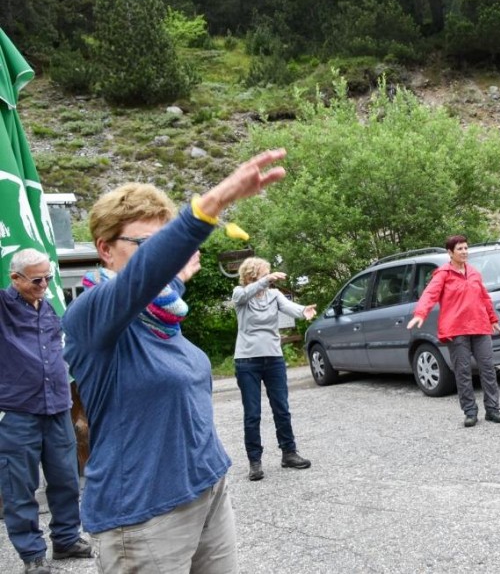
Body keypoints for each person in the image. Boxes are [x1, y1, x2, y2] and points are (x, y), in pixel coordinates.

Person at [61, 149, 288, 573]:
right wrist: (214, 203)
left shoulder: (163, 315)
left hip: (207, 488)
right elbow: (143, 277)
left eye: (166, 243)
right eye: (150, 245)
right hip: (143, 514)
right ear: (105, 249)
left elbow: (151, 282)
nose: (165, 255)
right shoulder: (90, 316)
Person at [0, 249, 92, 574]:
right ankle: (32, 554)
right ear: (15, 278)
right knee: (20, 486)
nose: (44, 284)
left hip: (57, 406)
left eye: (48, 278)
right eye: (37, 279)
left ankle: (66, 539)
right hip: (17, 412)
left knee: (66, 479)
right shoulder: (3, 306)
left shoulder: (48, 305)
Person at [407, 235, 500, 427]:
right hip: (457, 330)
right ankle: (470, 412)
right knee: (463, 372)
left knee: (488, 369)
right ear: (450, 253)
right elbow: (430, 295)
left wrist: (493, 319)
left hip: (480, 326)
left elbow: (484, 298)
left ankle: (493, 410)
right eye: (460, 249)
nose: (464, 252)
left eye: (466, 248)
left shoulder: (475, 273)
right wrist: (420, 314)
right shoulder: (442, 274)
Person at [233, 257, 317, 482]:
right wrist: (265, 280)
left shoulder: (274, 295)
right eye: (266, 273)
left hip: (274, 359)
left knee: (281, 408)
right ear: (253, 274)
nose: (271, 276)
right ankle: (255, 461)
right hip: (247, 361)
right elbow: (243, 295)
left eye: (270, 274)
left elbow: (291, 308)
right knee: (252, 414)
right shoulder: (240, 294)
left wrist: (303, 310)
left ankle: (289, 453)